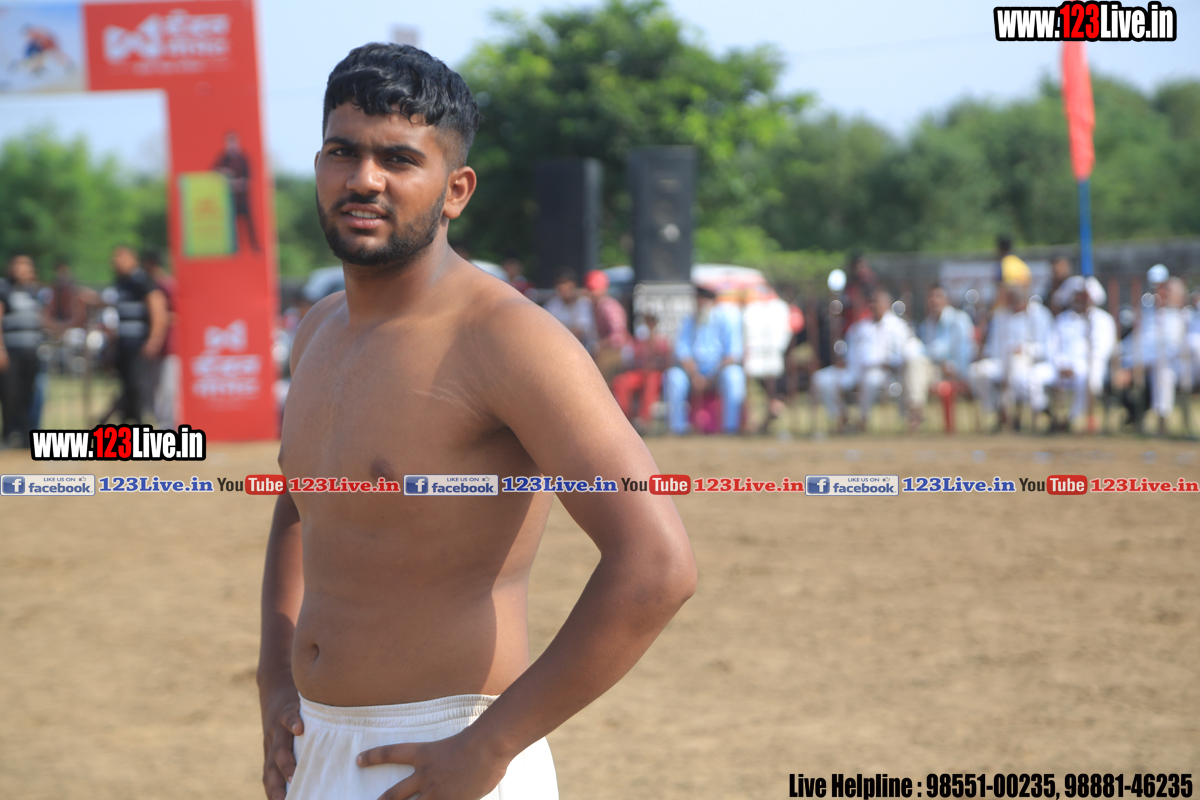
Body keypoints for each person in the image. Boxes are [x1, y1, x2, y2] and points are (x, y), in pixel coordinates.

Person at [259, 43, 696, 800]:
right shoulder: (319, 328)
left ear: (455, 190)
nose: (364, 179)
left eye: (399, 159)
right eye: (343, 151)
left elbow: (657, 564)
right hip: (316, 747)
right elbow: (302, 500)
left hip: (447, 749)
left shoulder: (507, 338)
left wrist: (490, 746)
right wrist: (274, 677)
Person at [811, 289, 921, 432]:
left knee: (870, 379)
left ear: (886, 304)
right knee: (821, 378)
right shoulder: (860, 326)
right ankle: (840, 418)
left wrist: (888, 363)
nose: (873, 305)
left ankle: (862, 420)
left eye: (876, 302)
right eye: (871, 302)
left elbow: (907, 353)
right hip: (854, 371)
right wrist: (843, 362)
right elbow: (849, 351)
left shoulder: (898, 326)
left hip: (884, 374)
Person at [968, 281, 1053, 431]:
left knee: (1016, 369)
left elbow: (1047, 346)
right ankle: (997, 410)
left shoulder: (1039, 314)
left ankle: (1033, 412)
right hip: (1000, 361)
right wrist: (984, 354)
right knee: (976, 371)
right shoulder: (1000, 315)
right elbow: (993, 344)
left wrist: (1025, 349)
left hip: (1028, 361)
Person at [99, 246, 168, 424]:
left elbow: (157, 308)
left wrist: (154, 339)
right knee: (126, 385)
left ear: (133, 259)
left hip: (139, 342)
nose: (116, 261)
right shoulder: (120, 282)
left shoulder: (142, 280)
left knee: (137, 385)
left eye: (121, 257)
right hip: (123, 343)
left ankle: (138, 422)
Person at [662, 285, 745, 434]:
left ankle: (730, 428)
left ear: (712, 301)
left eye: (703, 300)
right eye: (697, 299)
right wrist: (695, 375)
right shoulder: (688, 320)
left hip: (718, 373)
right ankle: (678, 429)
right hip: (693, 373)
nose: (699, 303)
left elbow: (733, 354)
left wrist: (711, 377)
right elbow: (682, 352)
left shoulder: (726, 319)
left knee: (734, 376)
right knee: (673, 376)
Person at [1044, 275, 1116, 430]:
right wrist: (1062, 365)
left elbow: (1102, 350)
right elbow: (1051, 347)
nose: (1080, 299)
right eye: (1077, 295)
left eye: (1083, 296)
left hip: (1089, 365)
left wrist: (1081, 366)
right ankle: (1048, 415)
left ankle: (1072, 419)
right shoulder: (1062, 320)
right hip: (1061, 366)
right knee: (1032, 377)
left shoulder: (1103, 320)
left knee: (1089, 380)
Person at [0, 254, 47, 446]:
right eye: (18, 265)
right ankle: (9, 433)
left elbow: (43, 320)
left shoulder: (35, 292)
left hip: (31, 349)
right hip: (11, 349)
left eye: (26, 266)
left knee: (29, 393)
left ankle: (27, 435)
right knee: (10, 392)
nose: (21, 269)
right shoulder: (4, 289)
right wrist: (1, 349)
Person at [918, 283, 975, 433]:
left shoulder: (960, 320)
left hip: (955, 372)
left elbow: (966, 352)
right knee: (914, 366)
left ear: (947, 299)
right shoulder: (926, 324)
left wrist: (953, 368)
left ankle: (917, 417)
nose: (933, 300)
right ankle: (916, 414)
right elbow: (925, 353)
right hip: (933, 371)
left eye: (937, 296)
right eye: (930, 297)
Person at [740, 286, 793, 432]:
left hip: (770, 359)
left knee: (773, 393)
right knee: (764, 391)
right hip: (763, 358)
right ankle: (752, 422)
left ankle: (759, 422)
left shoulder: (776, 308)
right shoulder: (778, 308)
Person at [611, 312, 670, 431]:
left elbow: (666, 362)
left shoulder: (661, 341)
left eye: (651, 322)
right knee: (621, 381)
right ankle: (624, 419)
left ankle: (643, 421)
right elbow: (629, 360)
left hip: (654, 374)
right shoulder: (637, 341)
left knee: (651, 381)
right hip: (639, 372)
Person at [143, 250, 180, 429]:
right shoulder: (150, 286)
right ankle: (161, 425)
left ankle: (169, 427)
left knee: (168, 388)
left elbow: (180, 314)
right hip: (154, 347)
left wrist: (162, 317)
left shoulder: (167, 286)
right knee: (155, 389)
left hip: (170, 346)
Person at [213, 131, 260, 252]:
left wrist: (237, 183)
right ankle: (234, 247)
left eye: (233, 142)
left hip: (242, 197)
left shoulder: (243, 158)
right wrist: (223, 173)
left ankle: (254, 245)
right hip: (230, 198)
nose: (231, 145)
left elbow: (248, 179)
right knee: (231, 224)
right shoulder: (224, 159)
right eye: (229, 142)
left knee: (248, 222)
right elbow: (214, 171)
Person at [583, 270, 630, 383]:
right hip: (603, 350)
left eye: (595, 289)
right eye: (590, 289)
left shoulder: (609, 306)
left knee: (599, 376)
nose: (593, 293)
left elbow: (618, 338)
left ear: (604, 289)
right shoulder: (591, 306)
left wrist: (599, 345)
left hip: (621, 352)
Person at [542, 270, 595, 348]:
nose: (560, 286)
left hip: (582, 348)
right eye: (558, 283)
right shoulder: (552, 303)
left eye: (563, 282)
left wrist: (558, 332)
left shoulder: (583, 302)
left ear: (573, 284)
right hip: (556, 346)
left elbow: (581, 331)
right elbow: (545, 328)